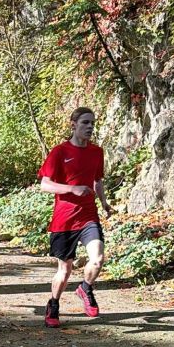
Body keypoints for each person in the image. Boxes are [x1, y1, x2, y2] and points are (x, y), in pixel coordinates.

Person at [38, 107, 113, 328]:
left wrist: (105, 203)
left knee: (97, 259)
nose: (90, 127)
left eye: (92, 123)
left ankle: (86, 288)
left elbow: (97, 181)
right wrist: (72, 189)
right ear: (73, 124)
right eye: (85, 123)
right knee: (64, 270)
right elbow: (44, 184)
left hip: (89, 216)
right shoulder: (59, 152)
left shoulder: (97, 152)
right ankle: (53, 303)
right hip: (64, 220)